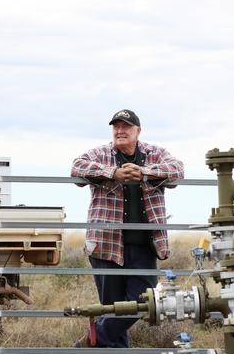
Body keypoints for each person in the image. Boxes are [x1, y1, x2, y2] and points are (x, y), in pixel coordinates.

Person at [70, 109, 184, 348]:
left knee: (142, 302)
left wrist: (144, 173)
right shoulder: (101, 154)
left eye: (126, 127)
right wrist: (112, 173)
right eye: (116, 127)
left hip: (145, 245)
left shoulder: (154, 154)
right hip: (106, 245)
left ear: (138, 131)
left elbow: (177, 169)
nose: (120, 131)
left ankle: (93, 339)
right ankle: (109, 347)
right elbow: (77, 167)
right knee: (113, 308)